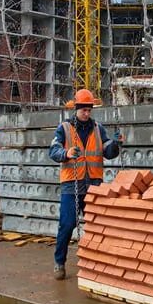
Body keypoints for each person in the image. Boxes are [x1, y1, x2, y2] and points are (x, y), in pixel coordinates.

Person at [49, 89, 123, 280]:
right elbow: (53, 150)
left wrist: (116, 144)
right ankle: (59, 262)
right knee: (67, 225)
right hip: (71, 185)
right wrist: (65, 154)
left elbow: (108, 152)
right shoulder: (64, 128)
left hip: (93, 184)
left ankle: (96, 265)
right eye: (83, 109)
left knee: (97, 226)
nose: (87, 113)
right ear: (76, 108)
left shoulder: (98, 129)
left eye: (89, 110)